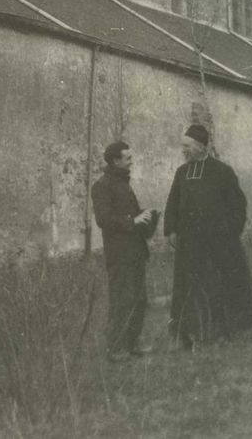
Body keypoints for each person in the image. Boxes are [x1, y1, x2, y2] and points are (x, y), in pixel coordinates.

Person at [164, 124, 252, 348]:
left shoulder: (223, 172)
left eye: (187, 146)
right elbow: (172, 204)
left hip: (218, 246)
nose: (183, 151)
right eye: (182, 147)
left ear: (199, 147)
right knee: (188, 290)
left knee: (218, 288)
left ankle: (221, 333)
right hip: (189, 246)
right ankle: (187, 335)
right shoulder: (182, 173)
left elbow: (238, 207)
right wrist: (171, 230)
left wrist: (228, 233)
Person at [91, 140, 158, 361]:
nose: (132, 161)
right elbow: (104, 219)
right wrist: (133, 219)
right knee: (121, 300)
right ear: (115, 161)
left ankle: (132, 343)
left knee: (139, 299)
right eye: (127, 158)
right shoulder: (102, 186)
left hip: (136, 252)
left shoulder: (123, 183)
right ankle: (115, 348)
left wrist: (148, 215)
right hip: (119, 255)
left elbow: (132, 214)